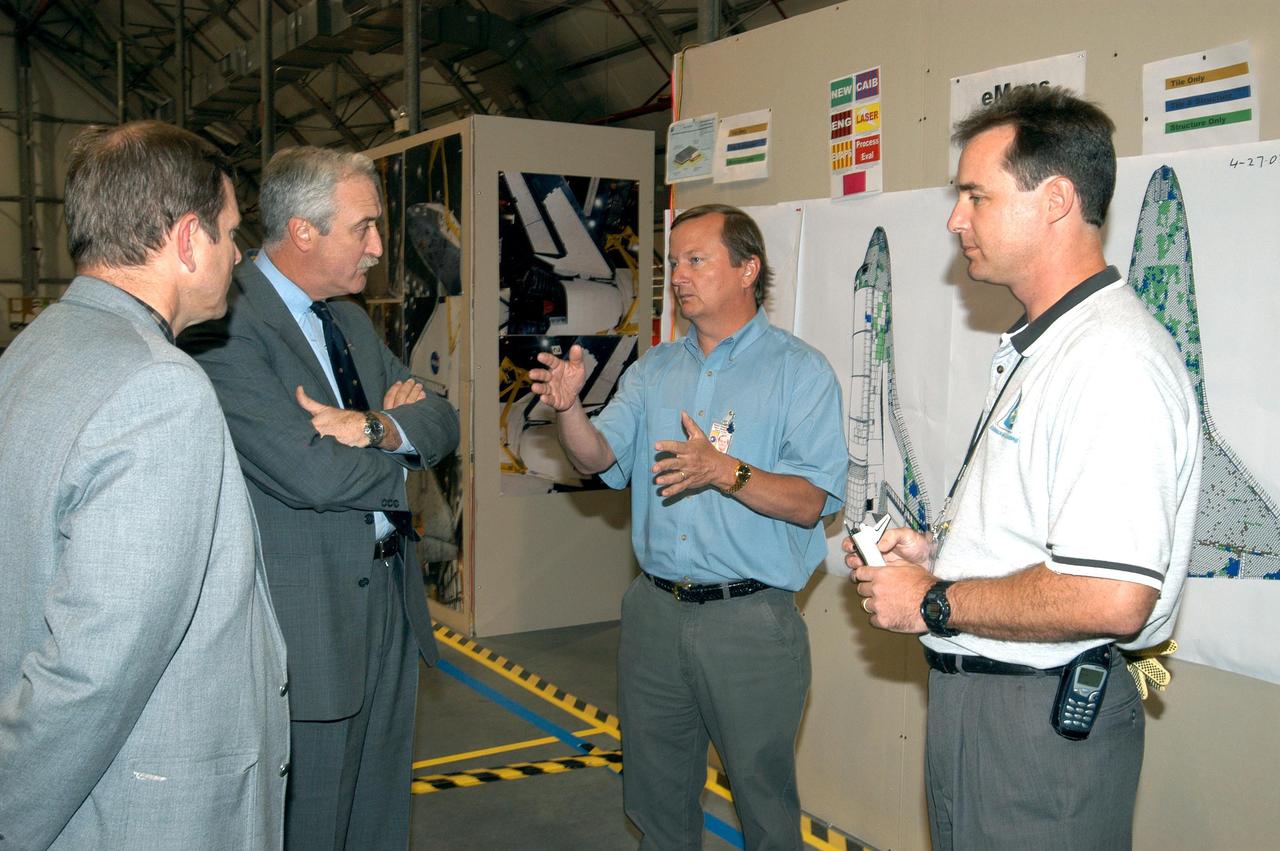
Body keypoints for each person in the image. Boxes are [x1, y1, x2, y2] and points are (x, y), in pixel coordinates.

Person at [845, 86, 1202, 850]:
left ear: (1055, 200)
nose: (955, 219)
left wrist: (935, 601)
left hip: (1034, 734)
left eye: (976, 195)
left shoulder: (1111, 361)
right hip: (993, 713)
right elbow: (1047, 537)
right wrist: (942, 557)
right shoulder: (1054, 344)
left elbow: (1112, 597)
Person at [0, 121, 290, 848]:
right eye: (230, 234)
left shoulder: (35, 348)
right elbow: (93, 670)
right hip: (139, 812)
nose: (238, 256)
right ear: (188, 241)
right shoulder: (159, 388)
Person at [530, 204, 846, 850]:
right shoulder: (653, 372)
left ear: (747, 269)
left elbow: (812, 500)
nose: (678, 275)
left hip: (750, 622)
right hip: (655, 616)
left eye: (695, 259)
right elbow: (599, 458)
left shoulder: (800, 372)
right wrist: (568, 412)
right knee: (658, 803)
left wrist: (722, 470)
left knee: (765, 808)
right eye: (673, 262)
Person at [181, 145, 458, 850]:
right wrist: (396, 460)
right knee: (312, 823)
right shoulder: (230, 329)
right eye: (363, 228)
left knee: (378, 815)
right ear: (303, 230)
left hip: (389, 607)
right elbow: (310, 473)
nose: (378, 246)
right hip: (310, 627)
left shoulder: (349, 321)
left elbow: (443, 418)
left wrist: (371, 426)